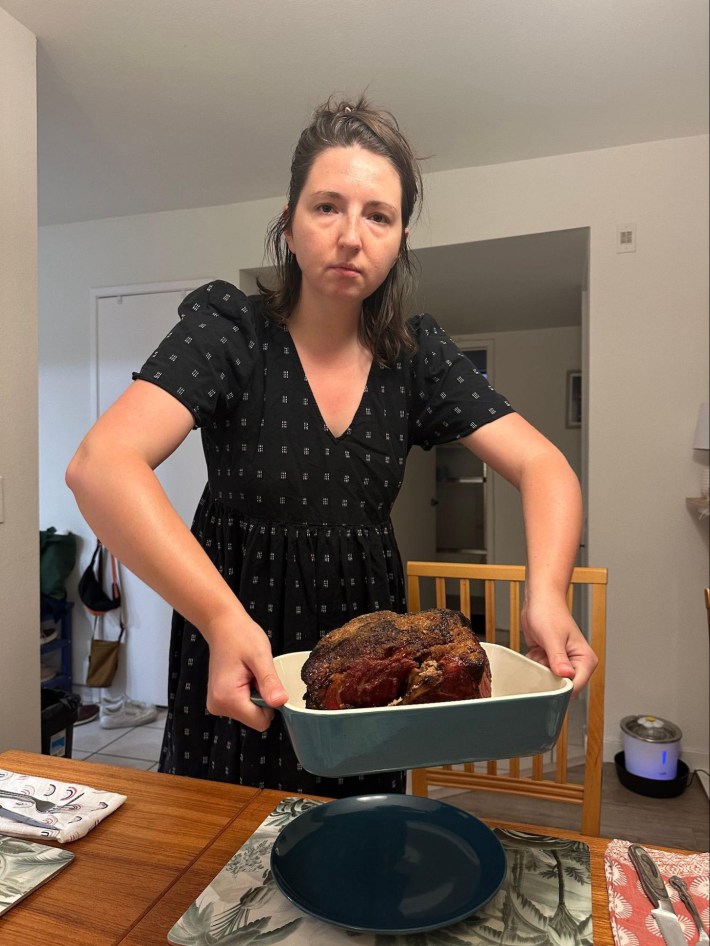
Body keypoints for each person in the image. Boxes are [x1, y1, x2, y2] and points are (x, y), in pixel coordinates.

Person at [66, 95, 597, 796]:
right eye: (327, 207)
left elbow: (544, 465)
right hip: (234, 620)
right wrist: (222, 619)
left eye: (378, 215)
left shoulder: (417, 358)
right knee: (226, 830)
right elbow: (100, 466)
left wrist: (549, 594)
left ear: (400, 239)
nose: (352, 235)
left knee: (357, 834)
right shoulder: (229, 331)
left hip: (365, 635)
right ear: (289, 225)